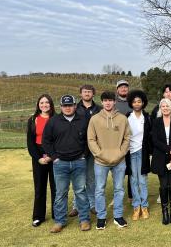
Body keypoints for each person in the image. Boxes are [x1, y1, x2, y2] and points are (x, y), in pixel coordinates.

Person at [42, 95, 91, 233]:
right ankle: (60, 221)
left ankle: (84, 220)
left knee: (80, 192)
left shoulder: (83, 120)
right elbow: (46, 141)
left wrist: (84, 155)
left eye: (70, 105)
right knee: (61, 193)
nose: (68, 108)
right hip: (60, 163)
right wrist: (54, 157)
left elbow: (90, 139)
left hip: (79, 162)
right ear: (61, 107)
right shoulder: (53, 121)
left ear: (75, 106)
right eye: (65, 105)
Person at [88, 91, 131, 230]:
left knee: (119, 189)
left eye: (110, 100)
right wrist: (100, 154)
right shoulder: (94, 119)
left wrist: (120, 153)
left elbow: (127, 138)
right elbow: (91, 139)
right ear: (102, 102)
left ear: (114, 102)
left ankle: (118, 216)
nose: (108, 103)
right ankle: (101, 217)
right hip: (101, 162)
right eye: (105, 100)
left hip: (119, 161)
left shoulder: (123, 119)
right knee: (99, 189)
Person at [70, 84, 100, 217]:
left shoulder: (99, 109)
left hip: (93, 149)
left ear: (93, 94)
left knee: (91, 178)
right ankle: (76, 205)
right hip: (78, 149)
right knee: (78, 179)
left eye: (89, 92)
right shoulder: (75, 108)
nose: (87, 94)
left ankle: (92, 204)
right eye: (84, 92)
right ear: (80, 94)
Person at [26, 94, 56, 227]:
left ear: (51, 104)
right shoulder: (33, 119)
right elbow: (30, 142)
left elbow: (59, 140)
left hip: (54, 156)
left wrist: (51, 156)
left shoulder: (56, 119)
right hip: (38, 157)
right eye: (42, 102)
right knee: (40, 188)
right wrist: (38, 158)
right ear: (38, 104)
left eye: (47, 102)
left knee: (56, 188)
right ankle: (38, 216)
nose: (44, 105)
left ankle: (58, 215)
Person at [125, 90, 152, 221]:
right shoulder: (127, 117)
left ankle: (144, 206)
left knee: (142, 180)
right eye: (134, 101)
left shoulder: (147, 117)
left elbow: (150, 136)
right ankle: (136, 206)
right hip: (130, 152)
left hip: (142, 151)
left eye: (139, 101)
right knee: (133, 180)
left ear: (143, 103)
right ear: (131, 103)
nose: (136, 104)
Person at [151, 83, 171, 204]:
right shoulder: (156, 121)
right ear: (160, 108)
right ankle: (164, 210)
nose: (165, 108)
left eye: (167, 106)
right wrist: (169, 150)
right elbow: (155, 140)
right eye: (163, 106)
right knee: (163, 185)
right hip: (160, 155)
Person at [114, 79, 133, 203]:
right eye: (121, 87)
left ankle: (131, 196)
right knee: (118, 171)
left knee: (131, 170)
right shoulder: (114, 103)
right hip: (117, 142)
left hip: (132, 142)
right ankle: (117, 197)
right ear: (117, 90)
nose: (123, 89)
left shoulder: (133, 102)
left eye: (125, 87)